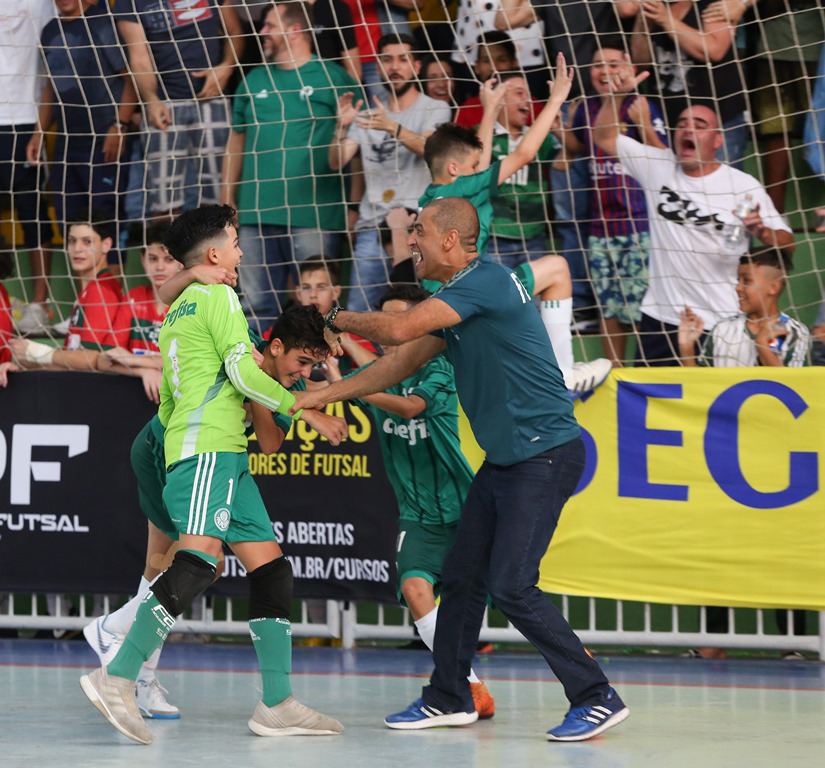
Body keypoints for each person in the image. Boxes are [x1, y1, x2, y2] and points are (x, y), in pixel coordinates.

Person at [291, 196, 629, 741]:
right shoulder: (456, 302)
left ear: (450, 240)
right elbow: (394, 365)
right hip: (506, 463)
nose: (411, 240)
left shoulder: (484, 282)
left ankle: (596, 696)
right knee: (463, 578)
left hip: (544, 457)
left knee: (512, 586)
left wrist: (331, 315)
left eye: (419, 231)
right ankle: (450, 695)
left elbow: (398, 331)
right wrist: (321, 395)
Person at [78, 204, 348, 744]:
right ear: (215, 253)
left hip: (220, 452)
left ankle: (277, 703)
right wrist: (308, 409)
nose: (242, 252)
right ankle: (119, 676)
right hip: (206, 447)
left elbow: (192, 374)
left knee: (271, 570)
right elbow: (243, 373)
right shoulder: (217, 296)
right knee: (198, 562)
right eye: (235, 241)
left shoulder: (182, 302)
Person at [329, 283, 495, 719]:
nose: (390, 330)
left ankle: (581, 670)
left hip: (462, 508)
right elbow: (367, 374)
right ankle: (466, 686)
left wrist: (346, 387)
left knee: (513, 595)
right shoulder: (379, 373)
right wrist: (336, 355)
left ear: (420, 325)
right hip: (417, 516)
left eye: (399, 321)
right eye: (384, 322)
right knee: (414, 588)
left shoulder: (441, 368)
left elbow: (408, 408)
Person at [419, 62, 612, 394]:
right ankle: (563, 374)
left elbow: (476, 156)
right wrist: (555, 100)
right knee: (557, 268)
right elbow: (523, 153)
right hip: (471, 296)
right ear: (454, 168)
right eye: (474, 167)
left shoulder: (434, 194)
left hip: (448, 298)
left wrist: (490, 109)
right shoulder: (463, 188)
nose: (482, 170)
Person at [592, 64, 795, 365]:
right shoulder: (657, 165)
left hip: (721, 321)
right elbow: (604, 137)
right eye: (683, 124)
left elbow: (788, 245)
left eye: (699, 125)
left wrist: (763, 232)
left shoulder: (742, 186)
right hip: (661, 317)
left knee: (716, 396)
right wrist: (616, 97)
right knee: (654, 395)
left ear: (717, 140)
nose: (688, 129)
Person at [221, 0, 357, 332]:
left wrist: (354, 204)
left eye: (269, 26)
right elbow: (236, 141)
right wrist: (227, 198)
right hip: (255, 213)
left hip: (314, 214)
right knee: (255, 307)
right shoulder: (252, 79)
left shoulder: (333, 77)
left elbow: (357, 145)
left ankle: (321, 367)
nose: (262, 32)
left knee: (316, 310)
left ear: (294, 30)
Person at [329, 33, 451, 312]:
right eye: (387, 60)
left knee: (420, 311)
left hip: (419, 229)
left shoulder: (436, 108)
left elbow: (431, 149)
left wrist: (391, 127)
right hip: (372, 228)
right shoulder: (367, 114)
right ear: (379, 67)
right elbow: (337, 161)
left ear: (416, 67)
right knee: (360, 313)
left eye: (403, 60)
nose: (395, 67)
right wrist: (341, 128)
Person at [566, 42, 668, 364]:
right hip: (600, 227)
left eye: (613, 64)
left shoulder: (641, 105)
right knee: (608, 308)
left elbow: (665, 159)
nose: (605, 71)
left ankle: (641, 374)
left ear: (628, 68)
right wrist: (558, 127)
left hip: (640, 225)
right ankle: (613, 373)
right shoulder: (585, 109)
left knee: (638, 308)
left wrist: (645, 125)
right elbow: (578, 146)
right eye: (598, 65)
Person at [28, 0, 137, 270]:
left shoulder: (103, 23)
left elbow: (132, 77)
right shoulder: (49, 31)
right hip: (66, 143)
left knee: (106, 223)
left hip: (104, 140)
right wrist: (39, 132)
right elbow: (51, 86)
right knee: (72, 225)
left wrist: (119, 125)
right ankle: (85, 295)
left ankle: (113, 294)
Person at [113, 0, 245, 217]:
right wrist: (151, 99)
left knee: (220, 199)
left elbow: (235, 32)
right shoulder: (129, 2)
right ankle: (167, 241)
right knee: (164, 203)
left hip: (212, 99)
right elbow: (138, 56)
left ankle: (217, 241)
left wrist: (227, 67)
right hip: (165, 105)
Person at [626, 0, 748, 168]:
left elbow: (714, 50)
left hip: (718, 121)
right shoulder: (654, 7)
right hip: (668, 122)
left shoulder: (710, 4)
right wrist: (642, 24)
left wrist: (665, 19)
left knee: (718, 183)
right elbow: (641, 63)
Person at [10, 212, 125, 372]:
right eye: (72, 241)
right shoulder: (90, 289)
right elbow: (73, 361)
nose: (77, 249)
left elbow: (90, 360)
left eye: (87, 242)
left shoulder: (101, 290)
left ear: (106, 244)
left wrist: (37, 352)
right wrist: (31, 366)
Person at [1, 0, 54, 333]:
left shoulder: (43, 3)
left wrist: (40, 127)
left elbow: (54, 59)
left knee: (32, 210)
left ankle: (39, 304)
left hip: (25, 119)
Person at [678, 248, 810, 368]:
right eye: (738, 280)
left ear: (773, 288)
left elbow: (794, 385)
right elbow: (702, 383)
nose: (738, 288)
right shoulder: (722, 330)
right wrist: (686, 348)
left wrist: (763, 346)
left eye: (746, 280)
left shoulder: (796, 333)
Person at [488, 71, 558, 270]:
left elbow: (565, 163)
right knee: (498, 289)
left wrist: (559, 130)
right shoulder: (483, 135)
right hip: (494, 235)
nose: (527, 99)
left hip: (533, 235)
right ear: (500, 98)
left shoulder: (540, 137)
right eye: (519, 93)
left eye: (528, 94)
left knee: (533, 290)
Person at [294, 256, 379, 372]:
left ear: (336, 292)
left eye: (321, 287)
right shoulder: (284, 329)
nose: (313, 294)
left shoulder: (351, 331)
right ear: (298, 294)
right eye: (306, 287)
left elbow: (379, 371)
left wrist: (344, 339)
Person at [454, 31, 519, 129]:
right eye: (486, 61)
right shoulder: (467, 109)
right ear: (477, 67)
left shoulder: (530, 105)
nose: (494, 67)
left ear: (514, 64)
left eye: (502, 60)